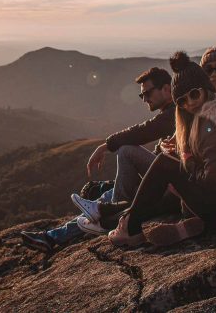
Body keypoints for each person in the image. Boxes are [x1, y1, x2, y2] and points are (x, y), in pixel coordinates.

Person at [73, 51, 216, 247]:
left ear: (206, 89)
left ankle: (128, 227)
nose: (190, 103)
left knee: (165, 165)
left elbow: (214, 181)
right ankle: (116, 218)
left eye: (194, 94)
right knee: (168, 173)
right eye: (182, 101)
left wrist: (185, 162)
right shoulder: (215, 113)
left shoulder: (215, 119)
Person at [20, 67, 176, 253]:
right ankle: (53, 236)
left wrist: (106, 145)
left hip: (175, 183)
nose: (144, 99)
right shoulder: (170, 113)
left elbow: (144, 131)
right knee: (107, 193)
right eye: (141, 95)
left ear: (166, 89)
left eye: (147, 93)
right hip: (165, 179)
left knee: (126, 151)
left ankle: (112, 214)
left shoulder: (176, 112)